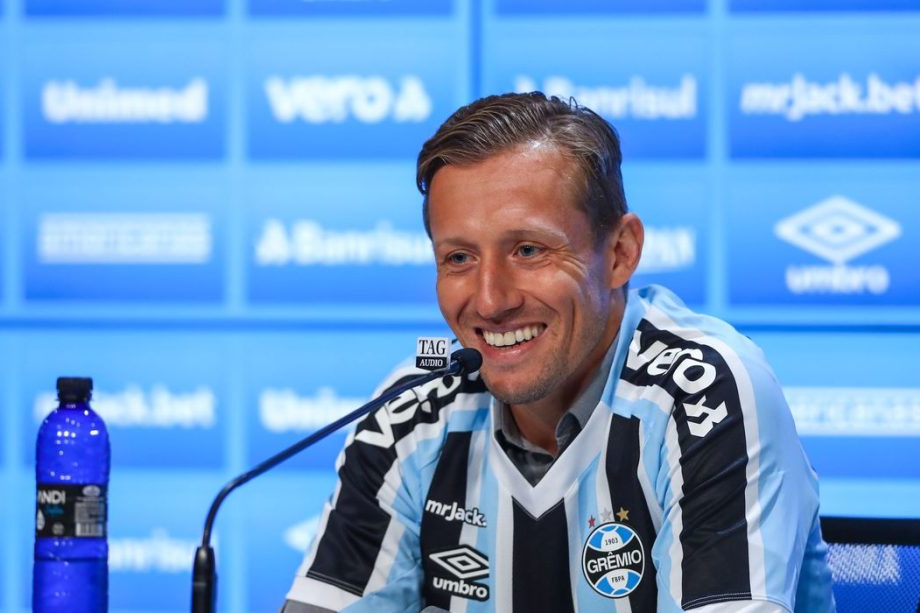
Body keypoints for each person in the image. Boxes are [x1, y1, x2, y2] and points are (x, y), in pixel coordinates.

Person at [283, 92, 835, 612]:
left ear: (620, 254)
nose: (490, 300)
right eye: (459, 258)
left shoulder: (705, 394)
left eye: (528, 250)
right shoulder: (413, 409)